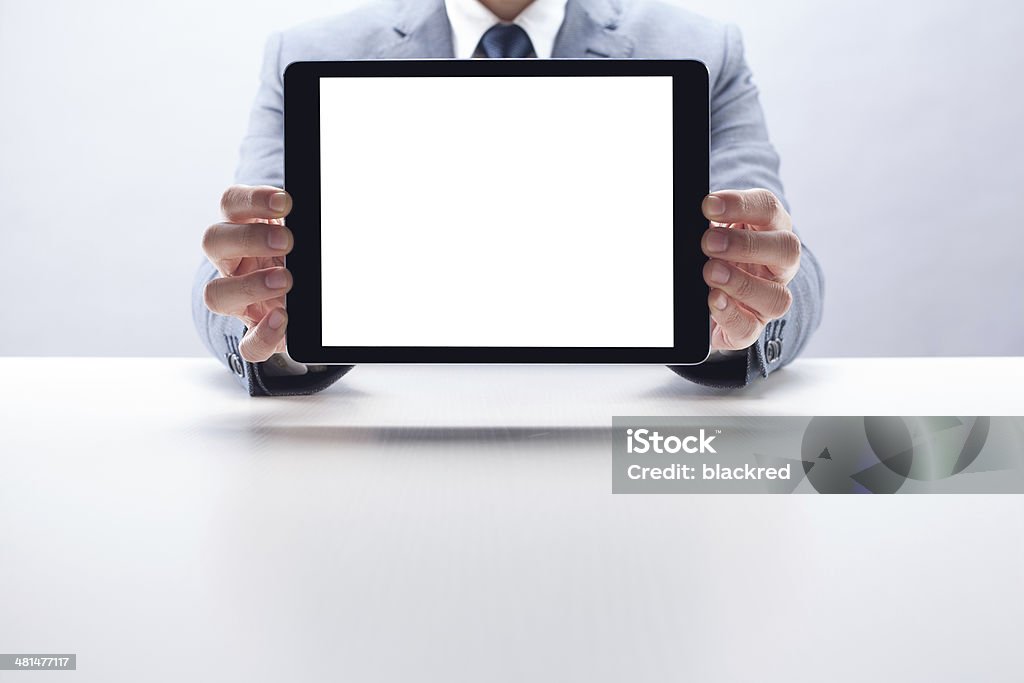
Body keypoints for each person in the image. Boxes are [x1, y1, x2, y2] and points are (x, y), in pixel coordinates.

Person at [193, 0, 824, 396]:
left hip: (620, 428)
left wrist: (749, 309)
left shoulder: (706, 48)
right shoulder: (306, 53)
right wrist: (259, 315)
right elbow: (233, 260)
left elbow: (787, 260)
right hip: (381, 434)